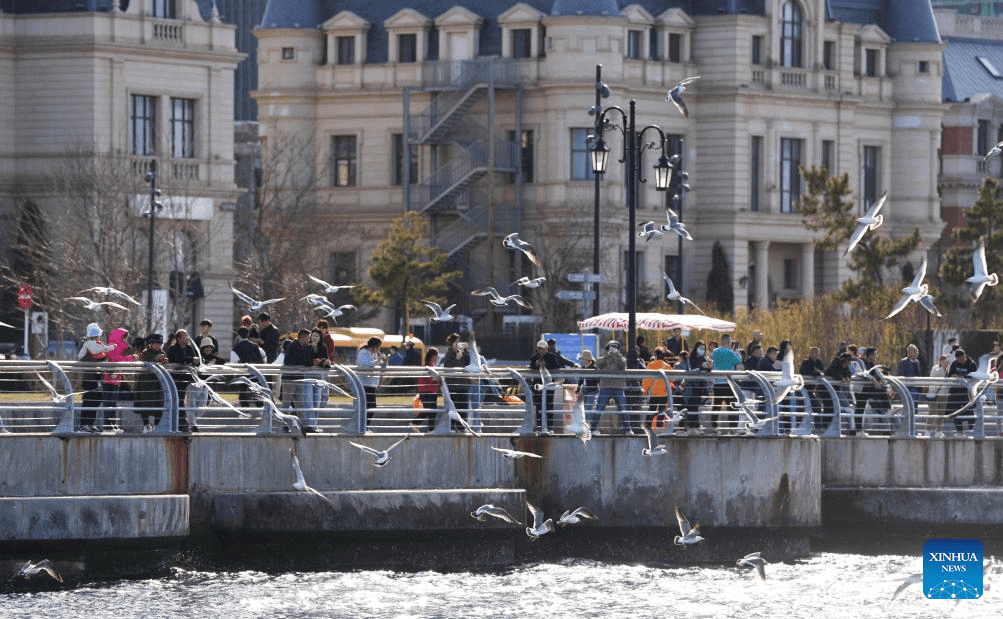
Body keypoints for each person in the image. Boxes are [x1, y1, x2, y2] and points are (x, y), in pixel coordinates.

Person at [77, 322, 115, 433]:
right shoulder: (86, 344)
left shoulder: (97, 345)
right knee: (89, 401)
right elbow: (82, 358)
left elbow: (103, 360)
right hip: (90, 378)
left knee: (96, 400)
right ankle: (84, 425)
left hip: (96, 378)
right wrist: (97, 362)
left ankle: (89, 424)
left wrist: (106, 368)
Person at [101, 327, 136, 434]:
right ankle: (108, 425)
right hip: (109, 379)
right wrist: (132, 358)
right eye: (125, 337)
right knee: (109, 403)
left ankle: (112, 425)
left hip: (115, 379)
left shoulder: (118, 347)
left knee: (113, 403)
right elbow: (118, 360)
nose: (126, 340)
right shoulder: (113, 347)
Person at [166, 328, 201, 432]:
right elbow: (177, 359)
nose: (187, 337)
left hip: (188, 379)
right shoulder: (173, 349)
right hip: (176, 379)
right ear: (178, 338)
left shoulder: (190, 348)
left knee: (194, 401)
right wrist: (191, 359)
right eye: (184, 336)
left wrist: (196, 361)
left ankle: (190, 422)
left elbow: (196, 360)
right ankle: (182, 424)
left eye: (187, 335)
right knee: (179, 401)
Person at [590, 340, 627, 434]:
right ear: (607, 348)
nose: (613, 349)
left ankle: (627, 429)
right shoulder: (604, 358)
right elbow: (598, 364)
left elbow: (622, 365)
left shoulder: (621, 358)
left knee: (623, 409)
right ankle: (593, 429)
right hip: (605, 387)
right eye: (611, 347)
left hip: (618, 387)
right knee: (599, 408)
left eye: (615, 347)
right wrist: (608, 355)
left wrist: (617, 355)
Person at [851, 347, 890, 436]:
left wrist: (882, 379)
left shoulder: (873, 365)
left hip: (867, 390)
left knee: (881, 393)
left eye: (875, 355)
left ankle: (859, 430)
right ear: (869, 355)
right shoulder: (861, 363)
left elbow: (879, 375)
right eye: (873, 355)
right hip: (860, 390)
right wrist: (873, 379)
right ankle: (858, 430)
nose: (875, 357)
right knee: (860, 409)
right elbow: (863, 373)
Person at [135, 333, 167, 432]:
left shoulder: (163, 353)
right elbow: (144, 363)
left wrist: (165, 361)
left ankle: (155, 427)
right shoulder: (145, 352)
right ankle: (146, 427)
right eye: (155, 343)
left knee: (159, 407)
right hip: (146, 383)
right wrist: (155, 359)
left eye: (159, 344)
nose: (157, 346)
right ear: (150, 344)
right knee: (145, 407)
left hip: (158, 383)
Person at [679, 340, 712, 432]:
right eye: (700, 348)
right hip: (691, 386)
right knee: (691, 407)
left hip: (700, 387)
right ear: (696, 348)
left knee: (695, 407)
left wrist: (709, 367)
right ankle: (693, 427)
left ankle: (695, 426)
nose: (702, 350)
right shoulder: (690, 359)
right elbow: (691, 370)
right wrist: (702, 368)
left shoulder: (703, 358)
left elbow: (706, 371)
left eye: (703, 348)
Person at [711, 334, 742, 430]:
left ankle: (714, 427)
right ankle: (733, 428)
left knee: (716, 406)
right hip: (729, 384)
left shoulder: (715, 352)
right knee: (732, 406)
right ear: (729, 342)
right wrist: (736, 351)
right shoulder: (731, 352)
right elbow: (739, 360)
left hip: (717, 384)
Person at [529, 339, 561, 433]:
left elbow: (555, 366)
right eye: (539, 349)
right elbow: (531, 367)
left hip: (549, 384)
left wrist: (544, 364)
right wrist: (536, 365)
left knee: (549, 406)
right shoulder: (534, 357)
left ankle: (549, 427)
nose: (541, 350)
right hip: (538, 385)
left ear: (546, 349)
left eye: (542, 349)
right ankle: (539, 426)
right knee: (538, 406)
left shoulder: (551, 356)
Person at [231, 326, 265, 408]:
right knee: (257, 393)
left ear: (238, 335)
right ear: (248, 334)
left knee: (243, 394)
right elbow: (264, 358)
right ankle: (262, 411)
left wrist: (234, 376)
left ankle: (246, 412)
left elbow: (233, 363)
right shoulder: (256, 347)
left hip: (243, 375)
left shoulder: (236, 348)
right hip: (256, 375)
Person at [442, 333, 470, 430]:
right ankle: (453, 427)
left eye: (459, 342)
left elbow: (468, 364)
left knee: (463, 407)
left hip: (462, 385)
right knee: (454, 407)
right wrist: (457, 359)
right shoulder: (449, 353)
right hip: (453, 385)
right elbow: (447, 367)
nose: (458, 344)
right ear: (452, 343)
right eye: (457, 342)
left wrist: (466, 352)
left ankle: (462, 427)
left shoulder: (462, 353)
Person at [642, 347, 675, 429]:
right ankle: (659, 427)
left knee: (652, 409)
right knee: (661, 410)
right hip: (664, 393)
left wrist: (646, 391)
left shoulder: (651, 365)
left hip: (653, 392)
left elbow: (646, 380)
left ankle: (647, 425)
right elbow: (672, 380)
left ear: (655, 355)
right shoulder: (667, 366)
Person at [947, 348, 978, 435]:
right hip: (955, 392)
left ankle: (971, 430)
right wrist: (953, 376)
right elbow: (950, 376)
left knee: (969, 410)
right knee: (956, 411)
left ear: (965, 356)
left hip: (967, 392)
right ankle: (959, 431)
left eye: (961, 359)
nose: (960, 361)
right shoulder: (954, 364)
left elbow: (975, 377)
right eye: (958, 359)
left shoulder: (972, 364)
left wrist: (963, 377)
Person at [356, 336, 384, 427]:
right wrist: (377, 361)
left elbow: (381, 368)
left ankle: (364, 426)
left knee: (371, 407)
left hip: (372, 384)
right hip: (364, 384)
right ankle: (363, 426)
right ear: (375, 346)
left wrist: (384, 361)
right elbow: (364, 365)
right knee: (367, 407)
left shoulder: (375, 355)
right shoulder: (363, 352)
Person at [800, 346, 829, 432]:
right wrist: (817, 373)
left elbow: (823, 371)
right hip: (804, 390)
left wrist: (820, 373)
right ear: (810, 353)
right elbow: (807, 372)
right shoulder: (806, 362)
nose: (814, 355)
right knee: (809, 407)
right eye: (813, 353)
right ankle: (806, 427)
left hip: (812, 390)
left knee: (818, 407)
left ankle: (818, 427)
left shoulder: (818, 362)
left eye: (816, 353)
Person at [415, 347, 440, 431]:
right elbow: (432, 379)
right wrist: (438, 381)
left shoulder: (427, 364)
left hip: (425, 391)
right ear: (434, 356)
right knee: (431, 411)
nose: (437, 357)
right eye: (437, 355)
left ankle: (429, 429)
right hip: (429, 391)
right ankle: (416, 423)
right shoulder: (430, 365)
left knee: (430, 411)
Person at [926, 354, 950, 437]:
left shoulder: (948, 370)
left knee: (941, 414)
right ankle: (927, 431)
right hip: (935, 394)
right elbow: (935, 374)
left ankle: (938, 431)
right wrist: (942, 367)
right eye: (943, 360)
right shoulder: (936, 368)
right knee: (932, 413)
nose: (944, 362)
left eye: (946, 360)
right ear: (940, 360)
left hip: (944, 394)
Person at [575, 349, 599, 427]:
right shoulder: (583, 368)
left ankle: (592, 426)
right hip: (584, 390)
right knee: (584, 408)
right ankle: (588, 425)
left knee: (588, 408)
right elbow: (581, 380)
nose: (583, 361)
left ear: (588, 360)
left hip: (592, 390)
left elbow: (597, 380)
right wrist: (578, 388)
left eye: (584, 359)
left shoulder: (594, 369)